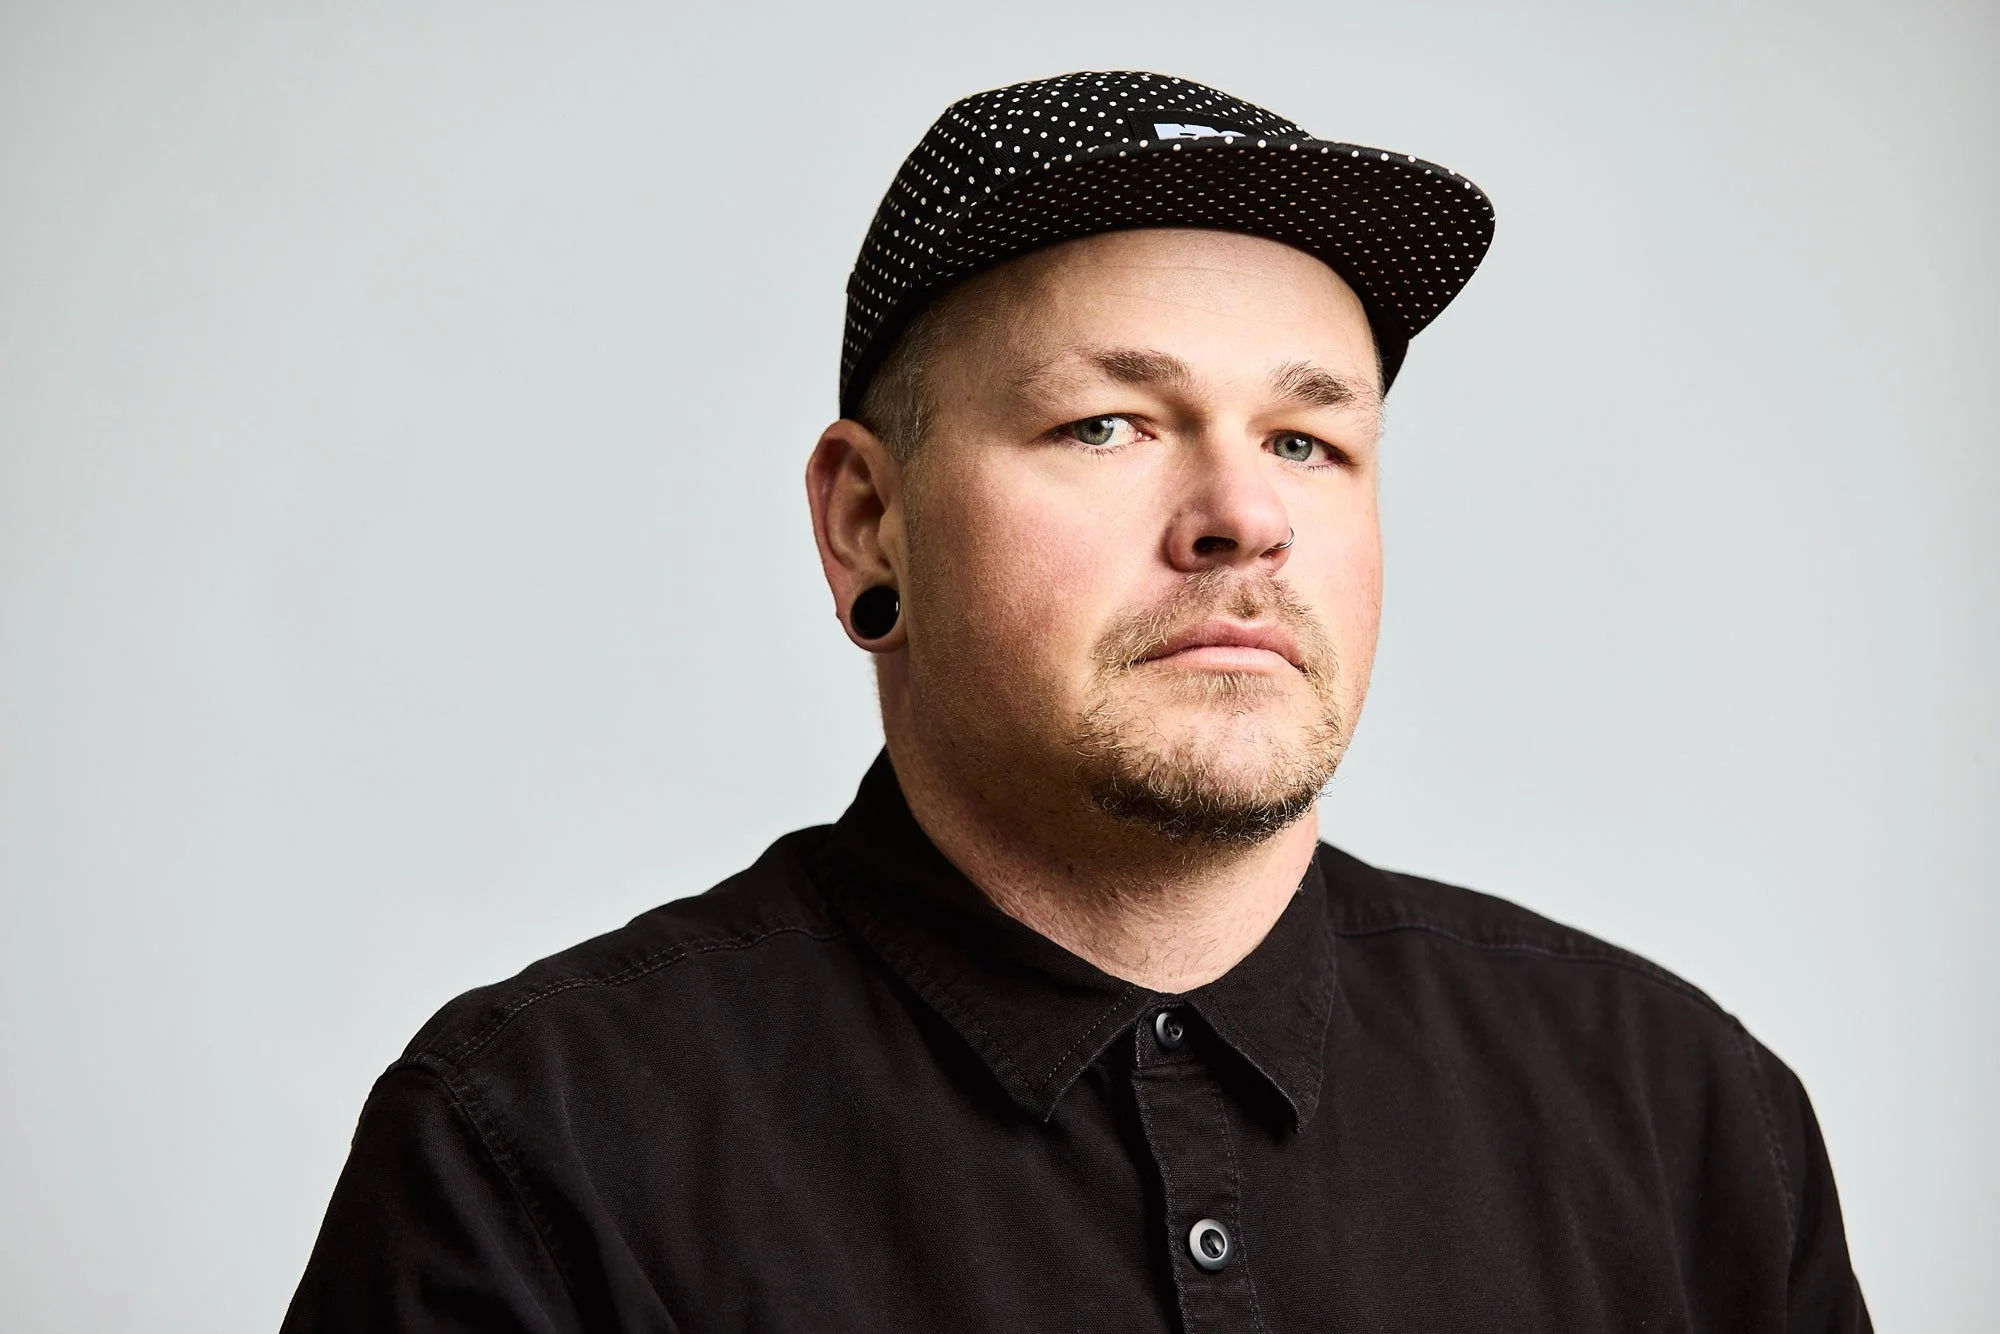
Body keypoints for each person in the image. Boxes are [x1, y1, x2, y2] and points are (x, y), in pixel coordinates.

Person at [282, 71, 1870, 1332]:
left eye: (1309, 441)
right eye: (1111, 423)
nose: (1244, 516)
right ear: (868, 526)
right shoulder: (539, 1151)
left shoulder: (1683, 1120)